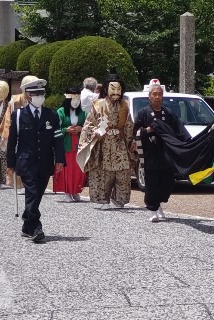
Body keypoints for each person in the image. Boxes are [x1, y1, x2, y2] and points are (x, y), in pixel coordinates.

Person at [6, 78, 64, 242]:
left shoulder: (51, 115)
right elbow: (12, 141)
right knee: (31, 193)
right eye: (36, 94)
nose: (40, 97)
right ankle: (36, 227)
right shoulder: (17, 115)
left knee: (37, 195)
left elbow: (58, 138)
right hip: (26, 161)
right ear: (28, 95)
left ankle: (27, 224)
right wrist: (10, 163)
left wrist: (59, 159)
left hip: (45, 162)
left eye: (42, 94)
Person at [132, 81, 191, 221]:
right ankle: (153, 208)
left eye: (159, 94)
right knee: (152, 181)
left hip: (167, 151)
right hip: (151, 151)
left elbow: (180, 129)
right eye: (154, 94)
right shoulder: (143, 113)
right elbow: (136, 132)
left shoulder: (168, 113)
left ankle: (159, 203)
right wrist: (148, 130)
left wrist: (189, 142)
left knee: (168, 181)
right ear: (149, 96)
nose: (157, 97)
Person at [78, 74, 136, 209]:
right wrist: (95, 132)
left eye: (118, 89)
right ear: (106, 89)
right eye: (113, 89)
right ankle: (103, 199)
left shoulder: (124, 106)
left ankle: (119, 199)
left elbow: (128, 125)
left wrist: (131, 140)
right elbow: (88, 125)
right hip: (103, 143)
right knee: (103, 172)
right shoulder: (98, 105)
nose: (116, 92)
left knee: (123, 171)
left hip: (120, 142)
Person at [0, 75, 39, 190]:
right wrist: (9, 135)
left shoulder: (38, 99)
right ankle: (19, 184)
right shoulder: (15, 100)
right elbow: (8, 119)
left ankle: (31, 183)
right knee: (19, 159)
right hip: (18, 134)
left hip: (33, 135)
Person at [54, 85, 87, 201]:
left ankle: (76, 191)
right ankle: (67, 192)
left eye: (78, 99)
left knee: (78, 168)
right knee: (67, 169)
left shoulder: (82, 113)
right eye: (74, 99)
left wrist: (81, 129)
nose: (76, 102)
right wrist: (65, 130)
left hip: (78, 144)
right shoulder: (60, 112)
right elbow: (55, 128)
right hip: (66, 144)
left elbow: (88, 127)